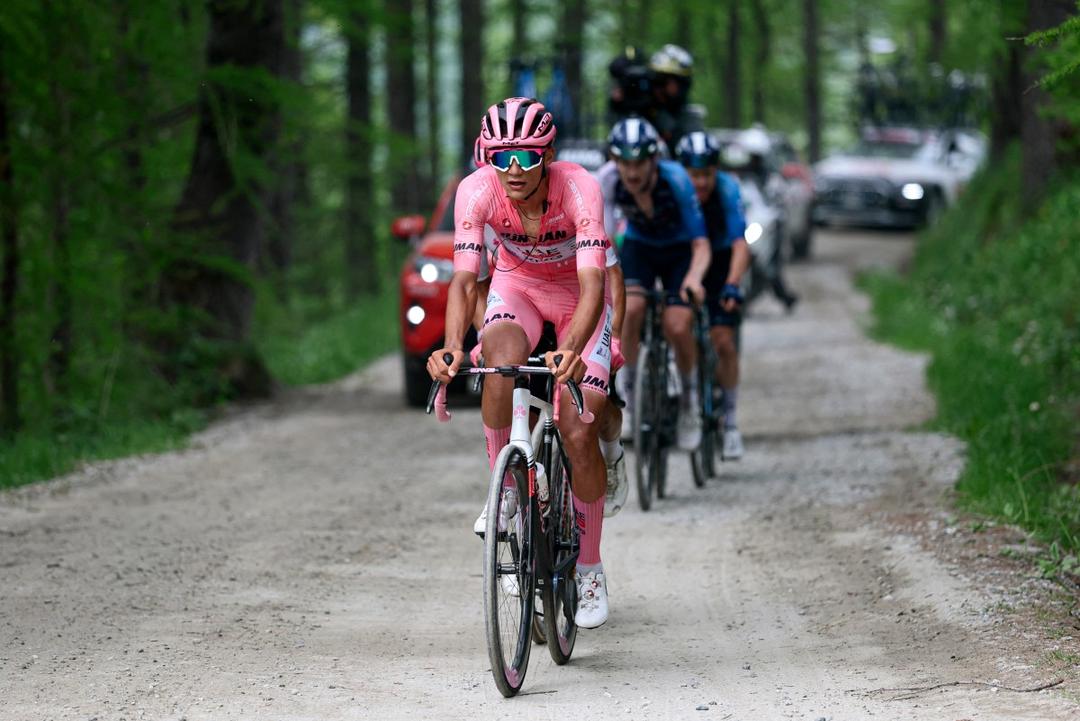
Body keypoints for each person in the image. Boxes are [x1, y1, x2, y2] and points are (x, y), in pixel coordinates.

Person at [427, 97, 618, 628]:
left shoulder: (580, 188)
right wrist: (451, 345)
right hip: (520, 288)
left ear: (548, 156)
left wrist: (573, 348)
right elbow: (465, 280)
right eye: (502, 156)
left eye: (528, 158)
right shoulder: (477, 192)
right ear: (487, 156)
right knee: (500, 364)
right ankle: (507, 490)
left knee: (579, 429)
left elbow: (593, 284)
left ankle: (590, 567)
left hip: (576, 297)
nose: (514, 169)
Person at [597, 117, 711, 451]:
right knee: (630, 310)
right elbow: (602, 240)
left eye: (639, 164)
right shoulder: (606, 179)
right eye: (624, 163)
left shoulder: (676, 179)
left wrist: (693, 279)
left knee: (677, 325)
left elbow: (700, 244)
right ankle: (629, 399)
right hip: (639, 247)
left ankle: (690, 403)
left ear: (654, 160)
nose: (631, 173)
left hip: (679, 251)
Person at [676, 131, 751, 459]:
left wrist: (733, 283)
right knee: (677, 325)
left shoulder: (728, 189)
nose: (701, 182)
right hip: (684, 258)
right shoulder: (672, 189)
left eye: (706, 174)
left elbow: (739, 244)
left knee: (723, 341)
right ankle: (683, 397)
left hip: (720, 263)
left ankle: (731, 423)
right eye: (694, 175)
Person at [647, 44, 702, 150]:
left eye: (665, 80)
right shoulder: (641, 107)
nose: (659, 87)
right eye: (657, 79)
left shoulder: (688, 117)